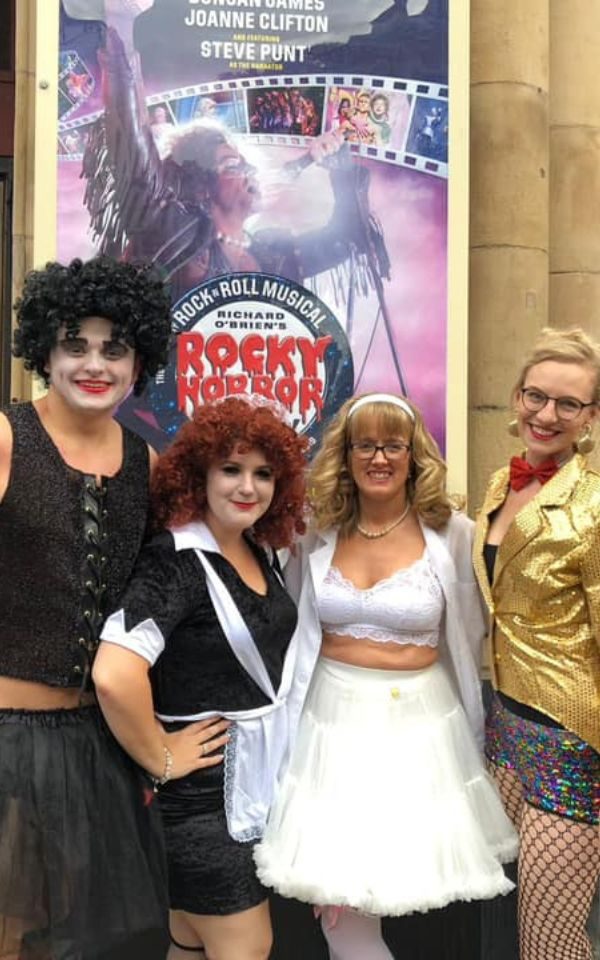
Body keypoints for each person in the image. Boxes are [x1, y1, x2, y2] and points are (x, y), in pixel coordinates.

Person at [254, 392, 518, 959]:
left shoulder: (454, 534)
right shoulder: (315, 532)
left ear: (413, 453)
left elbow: (474, 633)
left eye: (392, 444)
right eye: (364, 445)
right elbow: (290, 621)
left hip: (420, 731)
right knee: (337, 896)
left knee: (404, 884)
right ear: (345, 456)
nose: (379, 457)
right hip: (328, 725)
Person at [92, 397, 311, 960]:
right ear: (200, 474)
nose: (248, 487)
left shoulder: (259, 551)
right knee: (246, 947)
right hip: (201, 804)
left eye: (264, 473)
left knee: (190, 943)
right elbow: (115, 673)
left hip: (256, 791)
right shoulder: (175, 561)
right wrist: (161, 755)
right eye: (231, 470)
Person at [0, 255, 172, 959]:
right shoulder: (8, 436)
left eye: (114, 347)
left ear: (139, 363)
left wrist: (161, 749)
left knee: (76, 943)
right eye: (75, 343)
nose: (94, 362)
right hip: (8, 743)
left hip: (100, 751)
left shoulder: (148, 464)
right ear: (45, 350)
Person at [80, 2, 389, 303]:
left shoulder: (272, 253)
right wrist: (121, 18)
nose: (249, 171)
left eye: (245, 164)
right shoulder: (171, 234)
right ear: (201, 187)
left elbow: (346, 239)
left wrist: (343, 173)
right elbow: (134, 150)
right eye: (231, 165)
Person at [472, 328, 600, 960]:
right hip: (503, 730)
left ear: (591, 418)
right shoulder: (499, 486)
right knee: (499, 928)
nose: (547, 414)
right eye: (536, 396)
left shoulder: (596, 506)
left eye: (568, 404)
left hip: (571, 744)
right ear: (516, 397)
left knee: (551, 943)